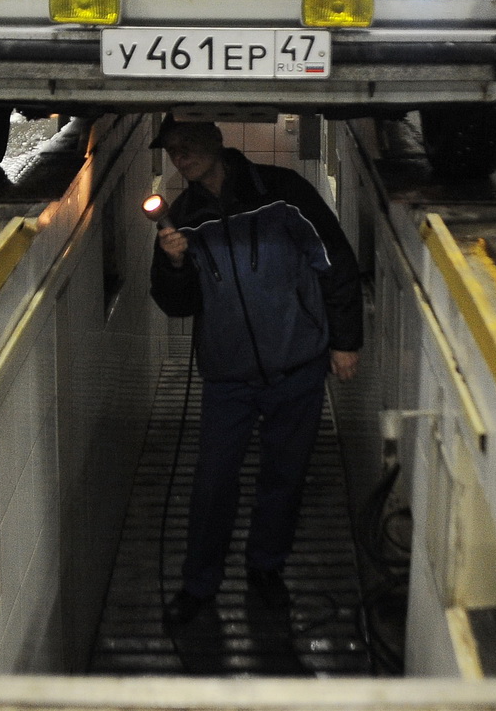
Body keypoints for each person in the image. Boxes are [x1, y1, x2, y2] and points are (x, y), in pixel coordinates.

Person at [148, 118, 363, 625]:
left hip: (298, 364)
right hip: (229, 376)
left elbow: (334, 260)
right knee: (212, 484)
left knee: (284, 478)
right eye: (172, 150)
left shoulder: (282, 193)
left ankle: (266, 569)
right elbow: (177, 305)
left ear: (215, 140)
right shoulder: (183, 219)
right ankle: (199, 586)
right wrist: (173, 264)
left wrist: (345, 341)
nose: (181, 157)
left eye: (187, 144)